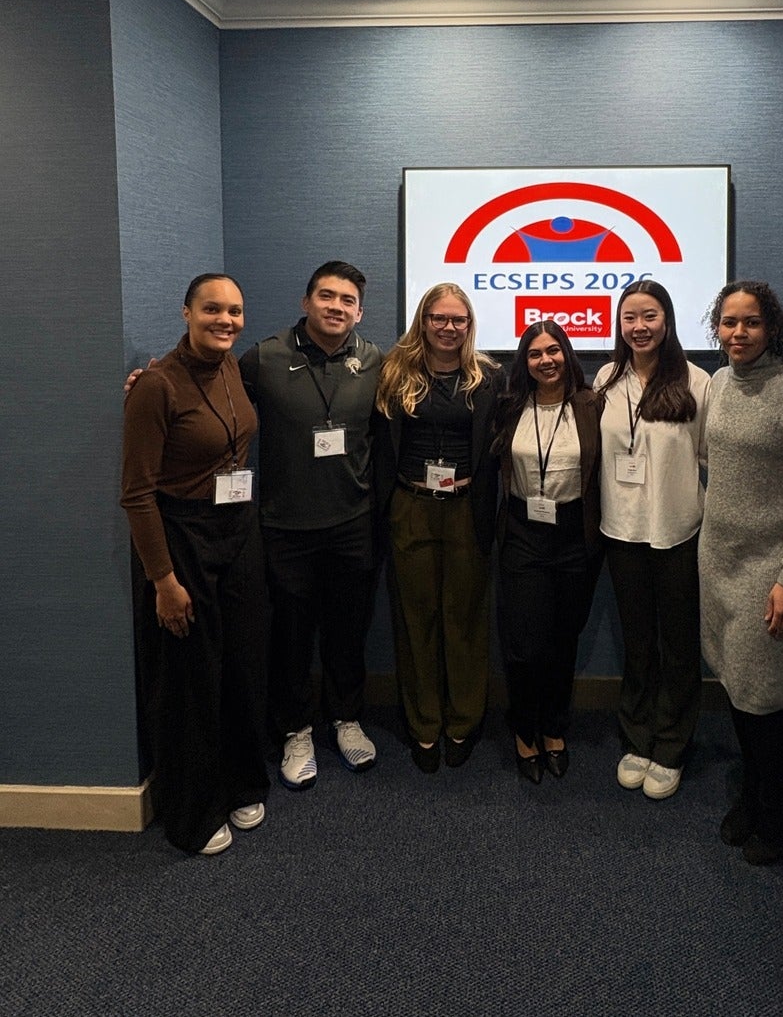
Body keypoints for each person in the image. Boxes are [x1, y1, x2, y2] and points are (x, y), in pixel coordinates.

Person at [122, 273, 269, 856]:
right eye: (212, 309)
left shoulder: (231, 366)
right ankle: (192, 812)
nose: (225, 321)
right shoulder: (155, 386)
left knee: (241, 662)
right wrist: (162, 579)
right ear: (186, 312)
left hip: (238, 529)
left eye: (234, 311)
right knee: (190, 677)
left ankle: (240, 782)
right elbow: (137, 494)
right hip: (182, 536)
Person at [700, 280, 783, 866]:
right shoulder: (718, 384)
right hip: (719, 560)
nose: (738, 333)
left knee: (764, 696)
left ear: (772, 327)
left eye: (751, 322)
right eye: (729, 322)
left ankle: (775, 808)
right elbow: (713, 462)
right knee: (736, 684)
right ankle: (754, 792)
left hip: (771, 570)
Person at [238, 261, 382, 791]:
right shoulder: (264, 358)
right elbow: (209, 390)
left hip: (353, 522)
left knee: (348, 629)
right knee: (291, 635)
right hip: (286, 526)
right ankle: (295, 731)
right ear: (306, 302)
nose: (336, 307)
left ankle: (346, 719)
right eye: (327, 296)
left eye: (347, 300)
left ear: (359, 312)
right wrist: (155, 379)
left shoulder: (375, 361)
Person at [375, 283, 502, 772]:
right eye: (439, 318)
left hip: (468, 508)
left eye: (458, 320)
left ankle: (463, 721)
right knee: (416, 618)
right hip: (411, 504)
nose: (449, 328)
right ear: (423, 321)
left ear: (469, 325)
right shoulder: (393, 372)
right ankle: (424, 725)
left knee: (465, 617)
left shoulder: (488, 377)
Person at [596, 279, 710, 801]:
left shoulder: (697, 381)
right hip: (621, 530)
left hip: (677, 531)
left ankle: (671, 745)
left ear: (667, 320)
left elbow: (710, 458)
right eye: (629, 318)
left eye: (649, 316)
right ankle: (638, 738)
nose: (639, 327)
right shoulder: (607, 377)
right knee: (637, 641)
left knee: (679, 644)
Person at [492, 322, 603, 784]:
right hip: (523, 533)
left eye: (553, 350)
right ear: (525, 362)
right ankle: (524, 731)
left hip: (575, 534)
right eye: (535, 354)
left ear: (567, 353)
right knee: (524, 644)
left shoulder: (592, 405)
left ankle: (555, 729)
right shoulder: (510, 406)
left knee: (563, 639)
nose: (546, 360)